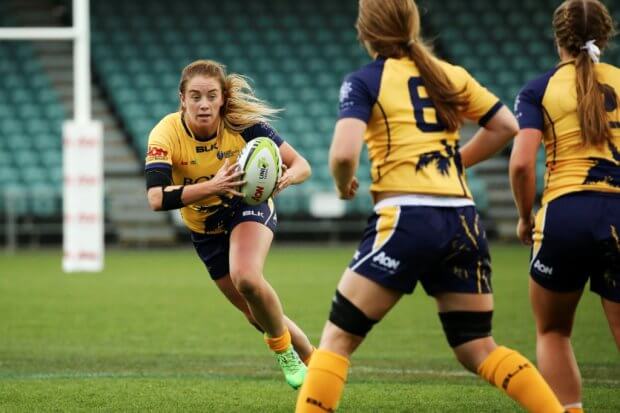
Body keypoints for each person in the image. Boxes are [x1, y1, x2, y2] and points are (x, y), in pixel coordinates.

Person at [295, 0, 567, 412]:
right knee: (478, 347)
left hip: (407, 216)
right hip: (462, 218)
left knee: (336, 340)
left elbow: (342, 154)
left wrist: (343, 183)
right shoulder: (448, 75)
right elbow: (506, 127)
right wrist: (456, 163)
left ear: (365, 32)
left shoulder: (366, 79)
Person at [144, 59, 313, 389]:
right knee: (254, 313)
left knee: (247, 278)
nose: (203, 104)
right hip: (204, 229)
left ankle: (287, 356)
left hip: (246, 206)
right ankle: (314, 359)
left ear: (222, 98)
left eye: (211, 96)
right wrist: (212, 186)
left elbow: (302, 164)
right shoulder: (165, 133)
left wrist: (288, 176)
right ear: (182, 99)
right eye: (195, 96)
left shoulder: (242, 125)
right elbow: (155, 198)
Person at [510, 1, 620, 412]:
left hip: (565, 214)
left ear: (558, 38)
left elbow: (521, 162)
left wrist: (525, 217)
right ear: (606, 36)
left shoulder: (540, 89)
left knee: (553, 331)